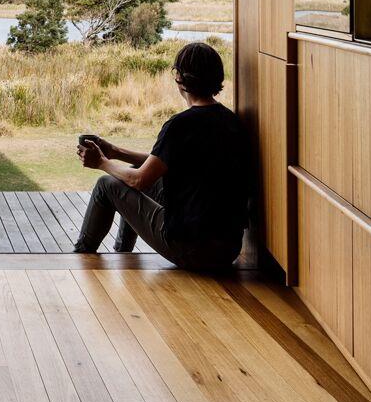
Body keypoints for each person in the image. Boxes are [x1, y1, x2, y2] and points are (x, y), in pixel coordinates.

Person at [72, 41, 249, 270]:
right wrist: (116, 152)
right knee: (132, 177)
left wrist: (102, 163)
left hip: (191, 248)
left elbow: (139, 179)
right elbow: (165, 162)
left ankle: (80, 255)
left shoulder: (180, 125)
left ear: (179, 78)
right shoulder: (232, 121)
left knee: (107, 184)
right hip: (228, 248)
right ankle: (122, 253)